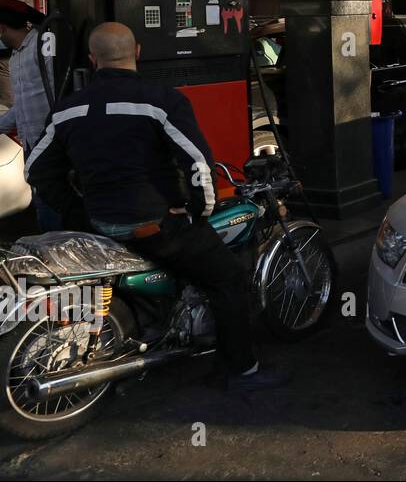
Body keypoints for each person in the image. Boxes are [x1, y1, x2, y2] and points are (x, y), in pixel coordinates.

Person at [25, 22, 285, 392]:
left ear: (92, 59)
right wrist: (200, 211)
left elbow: (36, 169)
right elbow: (197, 164)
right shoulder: (161, 100)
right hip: (153, 224)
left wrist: (77, 211)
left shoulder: (67, 109)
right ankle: (241, 370)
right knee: (227, 278)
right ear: (139, 52)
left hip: (98, 224)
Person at [0, 0, 61, 230]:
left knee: (49, 202)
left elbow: (55, 88)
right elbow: (22, 106)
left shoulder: (42, 43)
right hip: (31, 140)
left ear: (2, 28)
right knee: (41, 199)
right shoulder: (16, 56)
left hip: (50, 139)